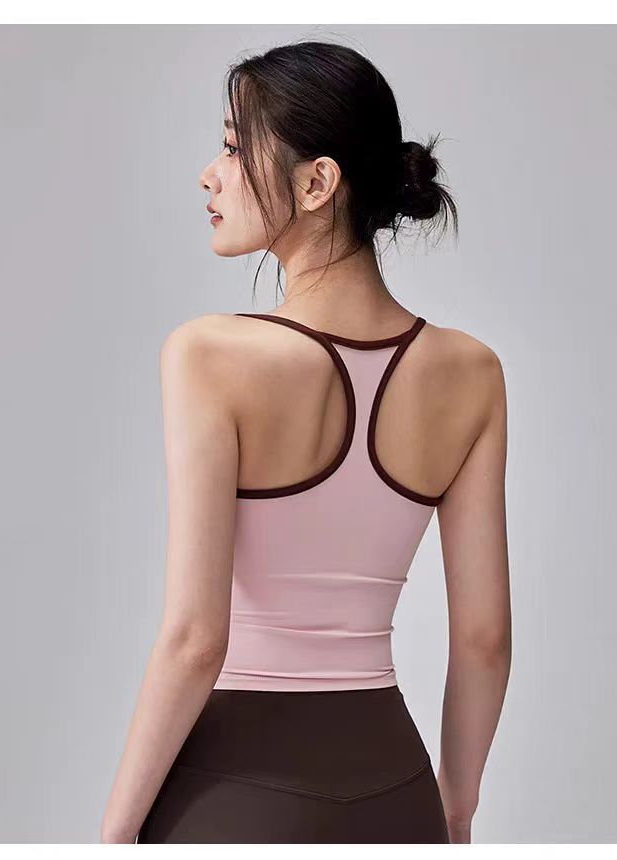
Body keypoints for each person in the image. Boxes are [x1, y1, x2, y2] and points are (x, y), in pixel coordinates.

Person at [100, 39, 511, 844]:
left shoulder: (209, 355)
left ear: (317, 183)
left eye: (231, 148)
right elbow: (484, 639)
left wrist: (113, 836)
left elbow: (195, 640)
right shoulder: (472, 372)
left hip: (236, 794)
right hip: (398, 790)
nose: (209, 175)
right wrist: (454, 814)